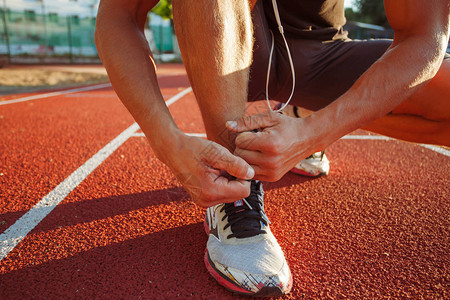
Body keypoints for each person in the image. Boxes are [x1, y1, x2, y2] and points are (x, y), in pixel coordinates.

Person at [95, 0, 449, 296]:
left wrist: (316, 131)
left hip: (322, 54)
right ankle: (232, 186)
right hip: (231, 50)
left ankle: (301, 112)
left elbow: (425, 36)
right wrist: (167, 142)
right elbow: (119, 16)